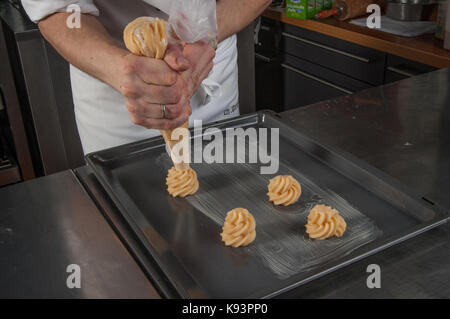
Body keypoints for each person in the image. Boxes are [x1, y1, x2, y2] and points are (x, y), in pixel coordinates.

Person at [20, 0, 271, 154]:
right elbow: (61, 10)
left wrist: (208, 31)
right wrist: (118, 68)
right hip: (117, 91)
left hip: (214, 75)